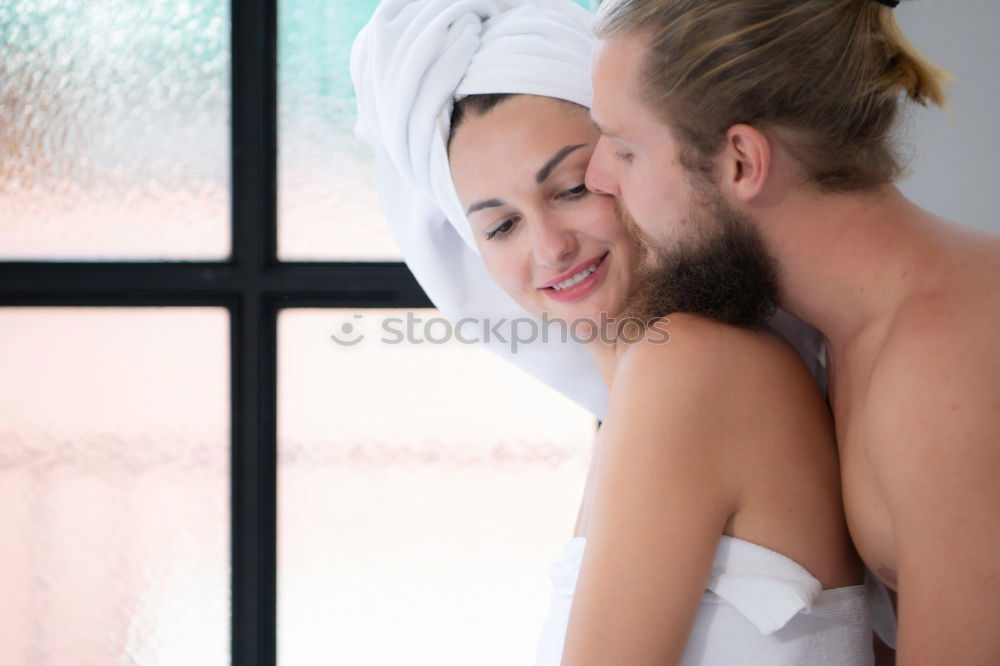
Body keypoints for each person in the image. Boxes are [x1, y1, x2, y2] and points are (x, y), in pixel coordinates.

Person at [352, 1, 873, 663]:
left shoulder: (690, 365)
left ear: (635, 160)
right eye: (501, 226)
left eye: (571, 188)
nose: (550, 247)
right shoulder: (638, 395)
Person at [586, 0, 1000, 663]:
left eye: (627, 150)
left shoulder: (944, 366)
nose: (599, 178)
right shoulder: (861, 336)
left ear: (742, 161)